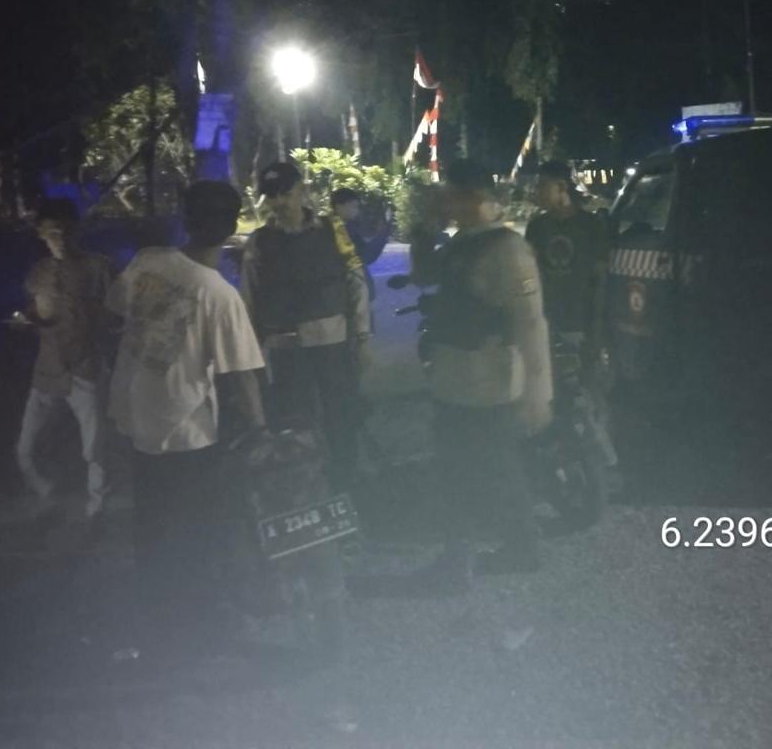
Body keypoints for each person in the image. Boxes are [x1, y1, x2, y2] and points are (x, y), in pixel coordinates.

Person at [377, 159, 551, 594]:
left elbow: (530, 322)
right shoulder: (463, 243)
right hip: (455, 381)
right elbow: (425, 275)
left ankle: (482, 556)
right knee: (469, 469)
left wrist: (537, 391)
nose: (444, 203)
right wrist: (424, 231)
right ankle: (490, 552)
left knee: (486, 470)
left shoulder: (507, 249)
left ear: (472, 197)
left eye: (449, 195)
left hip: (489, 384)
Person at [106, 180, 267, 651]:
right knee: (196, 529)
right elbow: (243, 376)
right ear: (232, 227)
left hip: (137, 415)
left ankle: (157, 616)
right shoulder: (219, 294)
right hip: (186, 429)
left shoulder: (147, 261)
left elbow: (114, 307)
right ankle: (197, 626)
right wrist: (262, 431)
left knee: (151, 522)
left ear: (185, 218)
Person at [241, 162, 370, 490]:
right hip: (284, 349)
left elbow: (355, 281)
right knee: (293, 423)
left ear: (302, 190)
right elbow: (249, 298)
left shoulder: (332, 229)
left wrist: (363, 337)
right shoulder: (259, 241)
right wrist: (253, 354)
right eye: (272, 195)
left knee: (341, 417)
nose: (279, 202)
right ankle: (305, 490)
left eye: (286, 193)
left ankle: (346, 484)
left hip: (332, 343)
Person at [14, 198, 115, 518]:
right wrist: (28, 320)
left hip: (85, 369)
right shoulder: (39, 271)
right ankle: (48, 491)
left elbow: (116, 316)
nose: (59, 239)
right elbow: (35, 311)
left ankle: (98, 507)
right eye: (51, 233)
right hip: (47, 370)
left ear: (77, 230)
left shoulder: (98, 268)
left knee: (95, 449)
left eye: (65, 231)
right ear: (41, 234)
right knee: (26, 449)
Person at [525, 160, 618, 469]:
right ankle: (567, 459)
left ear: (562, 188)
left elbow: (600, 279)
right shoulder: (537, 227)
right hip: (547, 326)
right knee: (554, 395)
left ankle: (604, 463)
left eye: (543, 186)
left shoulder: (591, 226)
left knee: (590, 394)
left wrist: (597, 329)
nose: (537, 192)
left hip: (582, 324)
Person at [332, 187, 390, 304]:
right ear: (339, 206)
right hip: (350, 294)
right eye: (354, 206)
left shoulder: (338, 227)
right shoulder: (341, 230)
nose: (356, 210)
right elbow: (366, 256)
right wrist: (383, 233)